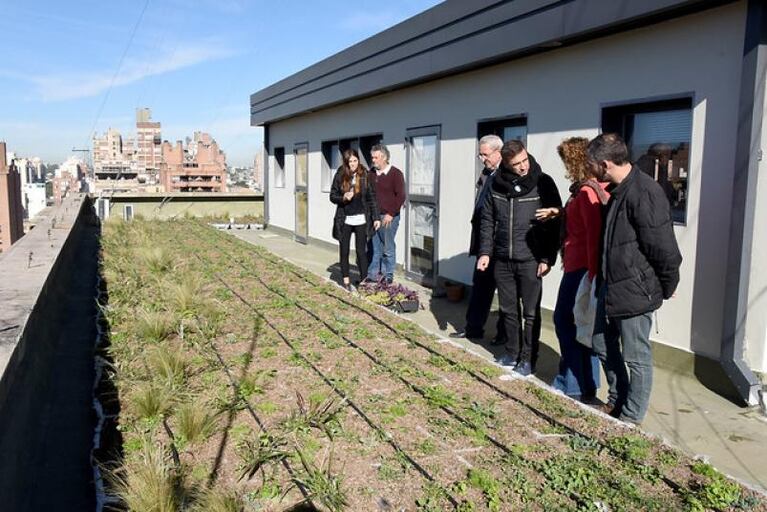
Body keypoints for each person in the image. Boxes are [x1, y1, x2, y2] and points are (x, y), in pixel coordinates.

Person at [587, 133, 682, 425]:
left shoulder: (645, 192)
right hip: (612, 286)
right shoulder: (619, 190)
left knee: (636, 356)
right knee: (601, 344)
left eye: (590, 165)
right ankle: (618, 399)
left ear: (604, 164)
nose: (588, 170)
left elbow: (664, 248)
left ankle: (631, 416)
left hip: (635, 290)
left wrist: (668, 285)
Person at [477, 140, 562, 376]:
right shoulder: (496, 184)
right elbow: (486, 220)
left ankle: (528, 359)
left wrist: (547, 257)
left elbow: (555, 223)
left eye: (525, 160)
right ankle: (511, 352)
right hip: (503, 259)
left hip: (531, 259)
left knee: (531, 313)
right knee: (508, 310)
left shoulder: (543, 182)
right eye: (516, 164)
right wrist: (485, 252)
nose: (523, 167)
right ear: (506, 163)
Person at [539, 137, 606, 402]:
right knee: (580, 326)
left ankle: (575, 384)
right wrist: (560, 212)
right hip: (578, 265)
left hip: (582, 268)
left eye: (567, 161)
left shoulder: (588, 191)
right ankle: (582, 383)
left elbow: (593, 234)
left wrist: (592, 275)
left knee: (566, 323)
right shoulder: (581, 190)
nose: (565, 166)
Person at [450, 134, 506, 342]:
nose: (482, 159)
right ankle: (473, 328)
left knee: (505, 293)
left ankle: (504, 334)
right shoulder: (487, 174)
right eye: (480, 155)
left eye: (485, 154)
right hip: (484, 243)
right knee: (480, 287)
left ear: (498, 152)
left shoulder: (505, 176)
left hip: (498, 244)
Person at [330, 148, 381, 291]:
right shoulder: (340, 174)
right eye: (350, 161)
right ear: (346, 163)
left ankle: (363, 282)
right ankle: (346, 281)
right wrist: (343, 197)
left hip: (361, 219)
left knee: (361, 252)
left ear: (358, 160)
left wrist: (376, 217)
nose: (353, 164)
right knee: (344, 250)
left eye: (355, 161)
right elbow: (332, 196)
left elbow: (372, 197)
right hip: (345, 219)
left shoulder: (364, 174)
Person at [367, 144, 406, 283]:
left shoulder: (396, 174)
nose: (373, 160)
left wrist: (391, 213)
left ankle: (387, 275)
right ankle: (372, 275)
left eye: (376, 157)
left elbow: (401, 196)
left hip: (390, 217)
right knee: (375, 247)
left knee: (387, 247)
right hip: (375, 217)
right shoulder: (371, 174)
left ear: (384, 158)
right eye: (372, 157)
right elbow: (369, 195)